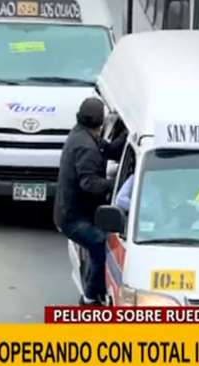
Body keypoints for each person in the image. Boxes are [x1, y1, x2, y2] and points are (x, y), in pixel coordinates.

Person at [54, 98, 114, 306]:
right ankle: (89, 298)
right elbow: (89, 184)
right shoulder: (87, 147)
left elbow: (106, 148)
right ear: (101, 121)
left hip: (68, 211)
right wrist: (112, 183)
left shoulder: (79, 134)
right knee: (100, 245)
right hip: (75, 218)